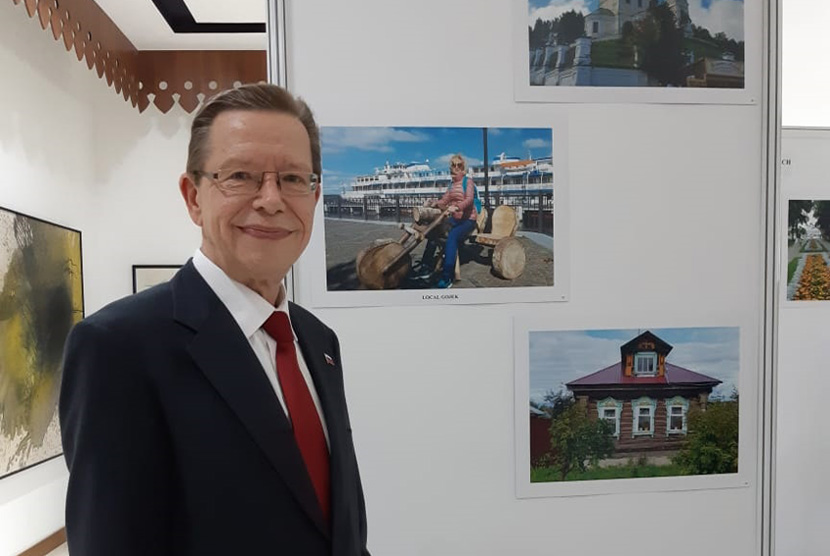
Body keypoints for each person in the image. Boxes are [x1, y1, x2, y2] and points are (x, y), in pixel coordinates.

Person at [59, 84, 370, 556]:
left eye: (292, 179)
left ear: (315, 196)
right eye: (241, 175)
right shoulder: (118, 348)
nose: (271, 200)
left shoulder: (317, 340)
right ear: (193, 197)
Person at [419, 154, 478, 288]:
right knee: (434, 232)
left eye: (459, 165)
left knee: (452, 237)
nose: (456, 168)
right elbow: (444, 200)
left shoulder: (467, 182)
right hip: (455, 218)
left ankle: (447, 277)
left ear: (463, 167)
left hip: (468, 220)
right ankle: (426, 266)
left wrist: (457, 206)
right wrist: (434, 202)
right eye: (453, 165)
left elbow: (469, 200)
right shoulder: (451, 184)